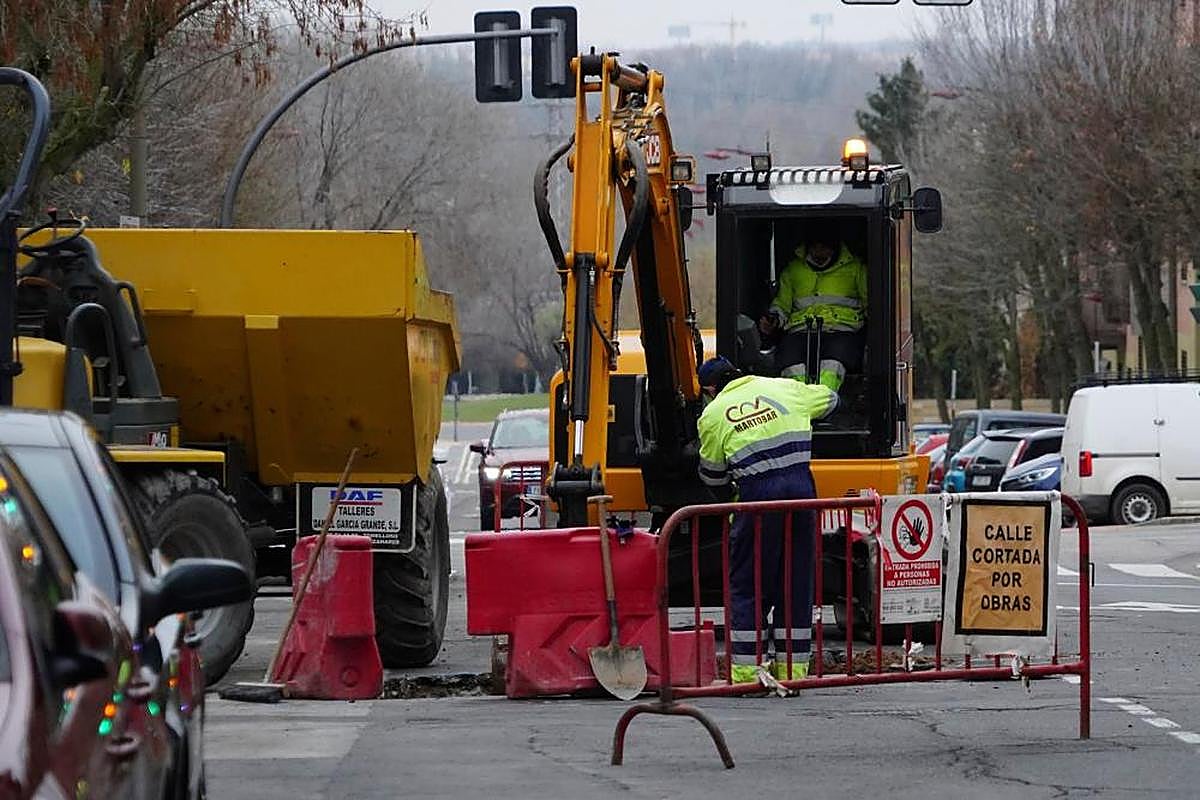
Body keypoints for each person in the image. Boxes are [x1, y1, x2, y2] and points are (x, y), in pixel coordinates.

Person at [696, 356, 838, 683]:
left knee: (749, 584)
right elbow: (830, 400)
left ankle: (747, 675)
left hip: (757, 498)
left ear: (710, 389)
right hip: (802, 492)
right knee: (797, 581)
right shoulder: (785, 388)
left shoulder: (714, 414)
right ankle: (793, 672)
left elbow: (712, 475)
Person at [759, 231, 868, 391]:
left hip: (842, 331)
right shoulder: (793, 270)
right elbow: (782, 304)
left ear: (835, 248)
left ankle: (823, 401)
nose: (819, 253)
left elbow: (869, 302)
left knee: (832, 365)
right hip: (799, 331)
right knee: (790, 363)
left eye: (824, 248)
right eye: (814, 248)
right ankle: (799, 401)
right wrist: (773, 320)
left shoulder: (856, 269)